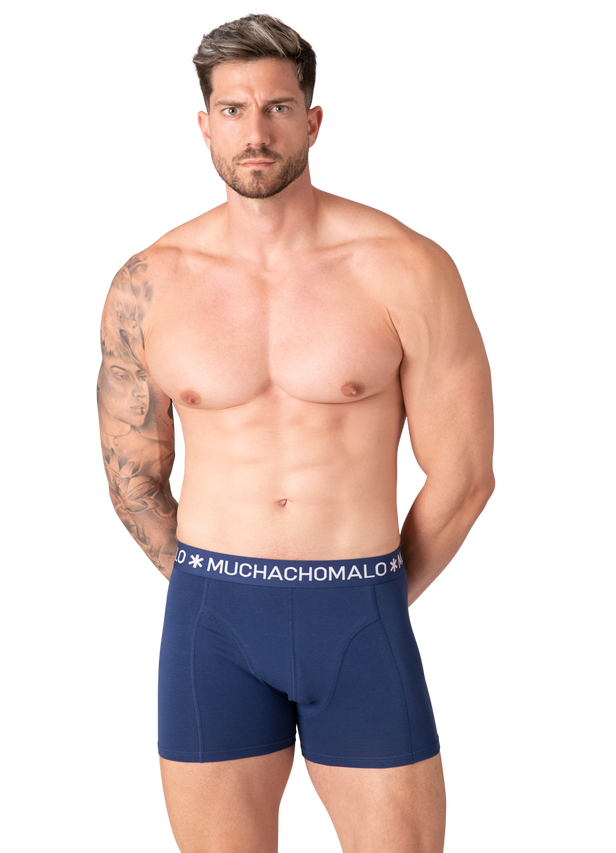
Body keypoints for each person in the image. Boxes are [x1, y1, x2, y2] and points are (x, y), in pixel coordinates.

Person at [95, 10, 497, 852]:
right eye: (233, 109)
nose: (256, 132)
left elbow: (465, 475)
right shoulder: (148, 281)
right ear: (203, 125)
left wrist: (370, 595)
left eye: (277, 107)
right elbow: (133, 477)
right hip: (212, 622)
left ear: (313, 120)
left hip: (361, 609)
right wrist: (217, 592)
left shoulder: (407, 265)